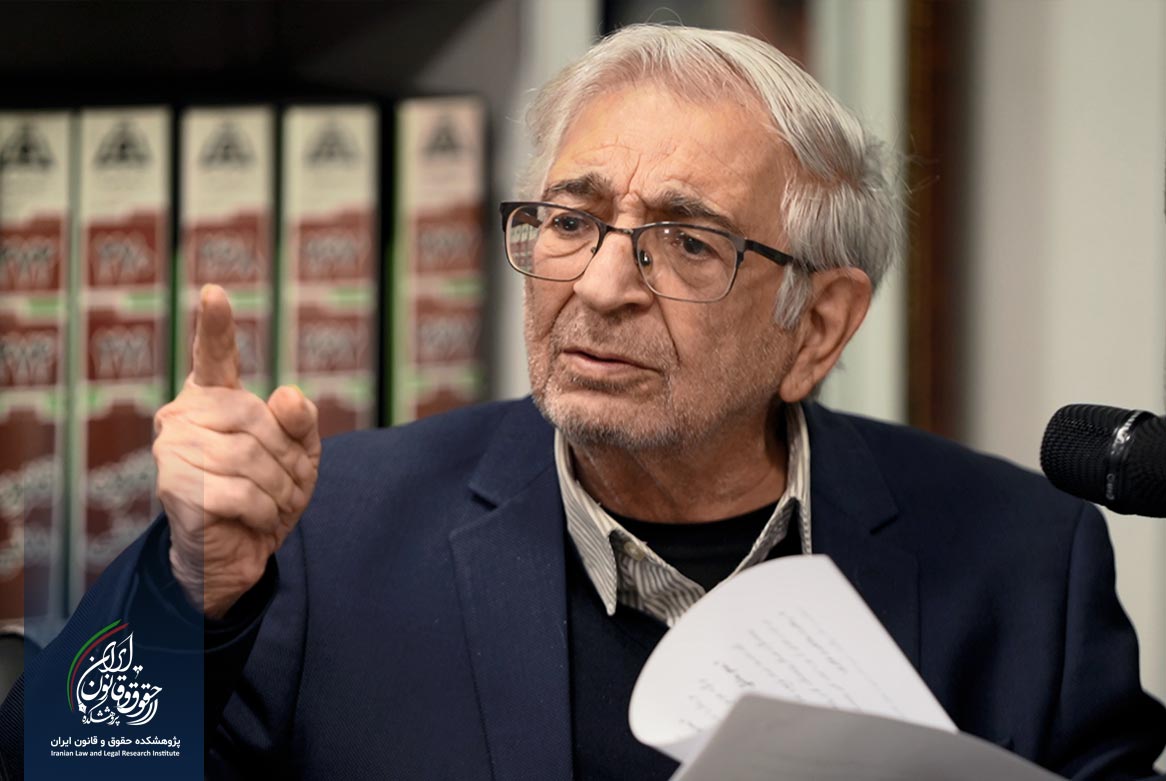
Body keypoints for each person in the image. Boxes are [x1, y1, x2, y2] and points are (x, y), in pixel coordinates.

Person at [3, 23, 1165, 781]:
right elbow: (56, 763)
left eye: (685, 240)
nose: (600, 286)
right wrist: (187, 596)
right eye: (568, 220)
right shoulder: (326, 534)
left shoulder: (1020, 562)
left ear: (816, 324)